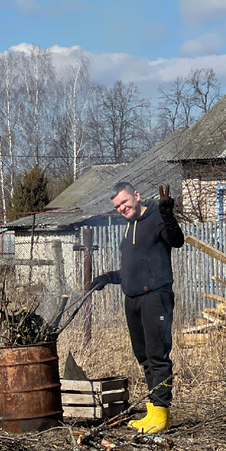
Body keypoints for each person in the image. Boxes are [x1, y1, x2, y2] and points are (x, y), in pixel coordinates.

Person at [89, 182, 184, 433]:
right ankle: (153, 411)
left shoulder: (156, 218)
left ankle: (161, 414)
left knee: (157, 356)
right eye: (117, 206)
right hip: (133, 300)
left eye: (124, 202)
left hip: (156, 297)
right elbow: (135, 269)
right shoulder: (129, 226)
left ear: (137, 196)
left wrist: (167, 214)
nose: (122, 208)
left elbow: (177, 240)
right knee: (144, 357)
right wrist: (110, 277)